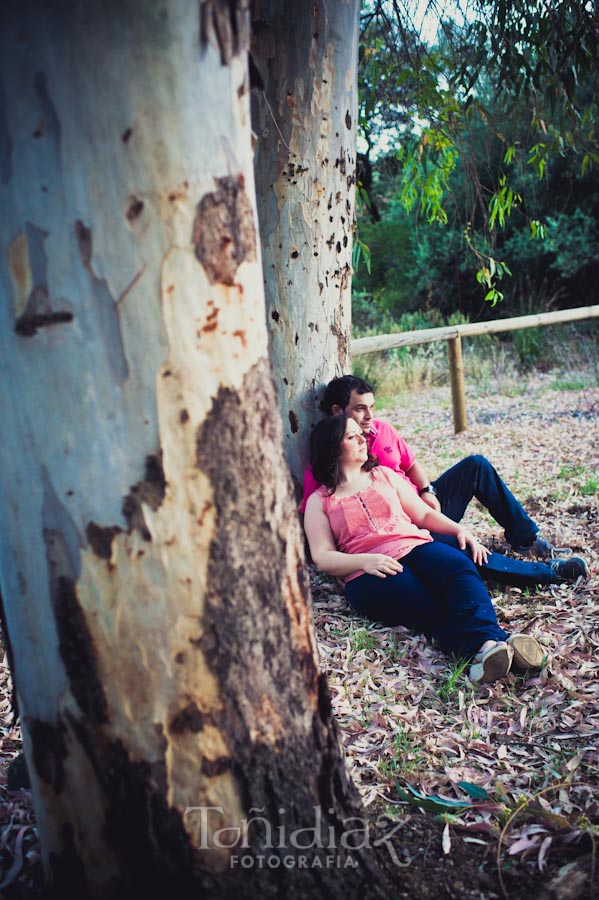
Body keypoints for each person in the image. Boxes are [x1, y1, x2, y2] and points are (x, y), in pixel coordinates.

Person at [303, 415, 548, 684]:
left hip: (414, 544)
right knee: (423, 600)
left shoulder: (383, 475)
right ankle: (492, 646)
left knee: (460, 567)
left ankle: (488, 647)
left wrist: (458, 530)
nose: (363, 439)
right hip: (368, 572)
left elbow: (421, 514)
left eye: (359, 434)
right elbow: (322, 556)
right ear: (333, 449)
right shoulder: (321, 501)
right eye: (352, 437)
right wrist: (364, 562)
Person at [301, 375, 588, 588]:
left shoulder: (383, 430)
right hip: (394, 535)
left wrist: (428, 490)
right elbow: (328, 518)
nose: (370, 416)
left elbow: (412, 464)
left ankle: (526, 539)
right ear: (339, 411)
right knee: (460, 553)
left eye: (372, 407)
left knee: (476, 465)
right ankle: (549, 573)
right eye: (361, 408)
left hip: (424, 510)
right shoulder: (328, 464)